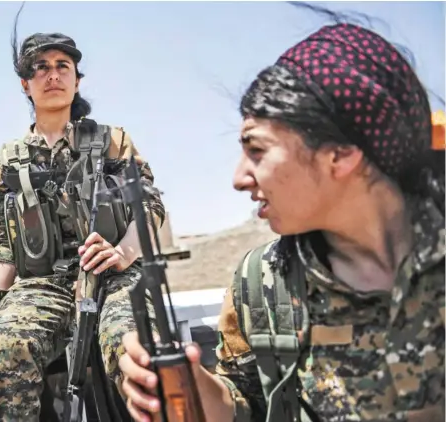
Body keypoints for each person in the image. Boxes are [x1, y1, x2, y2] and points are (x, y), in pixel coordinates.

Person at [118, 13, 444, 422]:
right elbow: (249, 401)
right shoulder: (262, 281)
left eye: (257, 149)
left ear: (340, 153)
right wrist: (201, 394)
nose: (239, 178)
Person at [0, 27, 164, 422]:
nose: (52, 75)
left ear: (76, 79)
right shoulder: (3, 163)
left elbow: (151, 208)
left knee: (139, 351)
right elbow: (2, 245)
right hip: (42, 286)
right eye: (41, 68)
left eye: (62, 66)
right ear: (25, 84)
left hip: (114, 275)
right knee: (0, 353)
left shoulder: (113, 142)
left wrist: (122, 253)